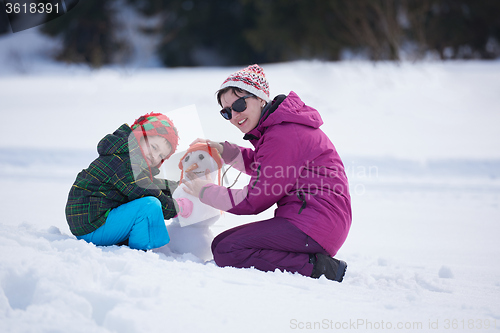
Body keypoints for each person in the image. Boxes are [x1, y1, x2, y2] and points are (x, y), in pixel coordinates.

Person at [184, 64, 351, 282]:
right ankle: (308, 259)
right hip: (317, 222)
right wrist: (223, 150)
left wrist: (205, 191)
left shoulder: (283, 134)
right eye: (226, 112)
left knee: (227, 249)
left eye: (239, 104)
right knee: (224, 245)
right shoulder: (280, 128)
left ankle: (318, 268)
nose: (234, 115)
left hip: (314, 224)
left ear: (261, 98)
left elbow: (254, 200)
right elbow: (266, 167)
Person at [65, 112, 193, 250]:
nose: (155, 156)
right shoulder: (124, 162)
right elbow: (145, 190)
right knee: (150, 205)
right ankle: (141, 252)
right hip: (93, 226)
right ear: (140, 136)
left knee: (147, 202)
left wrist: (177, 186)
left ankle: (139, 240)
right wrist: (176, 207)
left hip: (94, 222)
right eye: (154, 147)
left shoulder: (125, 157)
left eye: (161, 156)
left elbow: (150, 184)